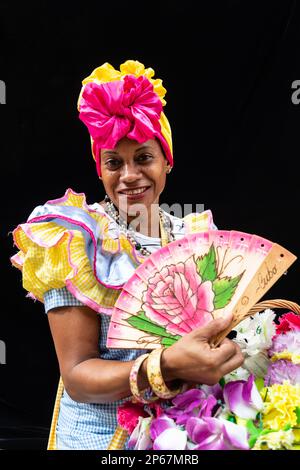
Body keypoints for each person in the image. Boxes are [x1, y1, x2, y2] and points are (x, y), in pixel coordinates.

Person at [11, 60, 244, 450]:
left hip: (187, 430)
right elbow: (78, 375)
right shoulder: (76, 240)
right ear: (99, 169)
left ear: (167, 160)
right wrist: (167, 365)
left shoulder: (196, 236)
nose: (130, 175)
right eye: (114, 163)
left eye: (144, 158)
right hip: (104, 439)